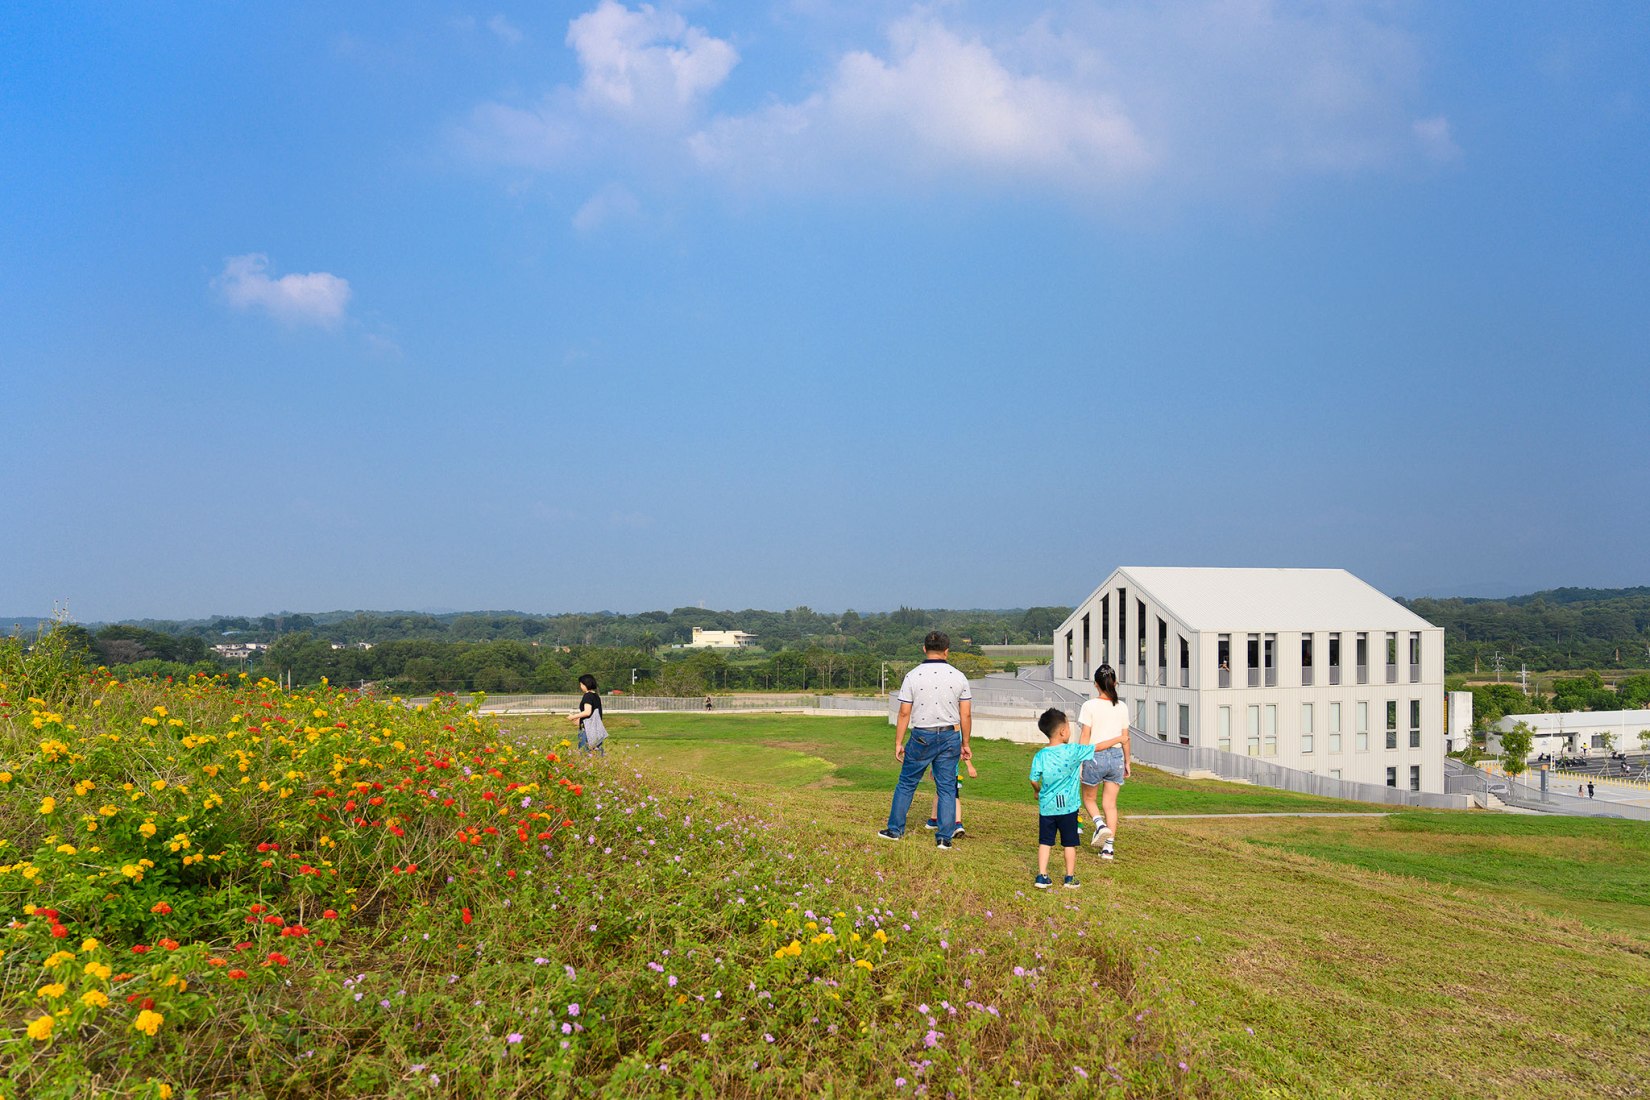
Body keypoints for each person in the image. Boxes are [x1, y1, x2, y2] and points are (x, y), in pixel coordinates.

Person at [879, 631, 972, 849]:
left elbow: (904, 713)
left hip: (921, 735)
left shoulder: (913, 675)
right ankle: (944, 838)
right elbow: (965, 714)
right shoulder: (959, 677)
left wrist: (898, 742)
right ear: (947, 651)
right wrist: (965, 743)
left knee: (907, 782)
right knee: (947, 787)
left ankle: (895, 830)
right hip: (950, 735)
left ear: (924, 649)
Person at [1030, 708, 1093, 889]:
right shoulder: (1073, 751)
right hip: (1069, 808)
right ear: (1063, 731)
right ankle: (1069, 877)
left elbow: (1033, 779)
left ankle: (1042, 876)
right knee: (1070, 844)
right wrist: (1119, 740)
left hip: (1047, 808)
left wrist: (1037, 791)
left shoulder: (1040, 755)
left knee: (1045, 841)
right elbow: (1097, 747)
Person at [1076, 664, 1130, 862]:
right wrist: (1127, 762)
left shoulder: (1089, 706)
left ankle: (1099, 825)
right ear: (1115, 683)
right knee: (1111, 805)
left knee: (1089, 799)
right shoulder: (1122, 706)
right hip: (1116, 757)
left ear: (1095, 685)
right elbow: (1125, 737)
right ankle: (1108, 849)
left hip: (1094, 756)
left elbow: (1085, 735)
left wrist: (1080, 759)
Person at [926, 757, 979, 837]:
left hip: (938, 772)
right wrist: (970, 766)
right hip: (951, 774)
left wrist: (932, 769)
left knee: (939, 793)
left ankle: (933, 820)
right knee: (954, 796)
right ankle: (957, 824)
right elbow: (962, 750)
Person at [569, 674, 606, 755]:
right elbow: (592, 714)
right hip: (596, 729)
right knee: (597, 754)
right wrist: (578, 720)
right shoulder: (595, 696)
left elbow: (587, 712)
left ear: (585, 684)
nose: (580, 686)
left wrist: (573, 716)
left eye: (581, 684)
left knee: (584, 754)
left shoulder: (587, 696)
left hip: (587, 731)